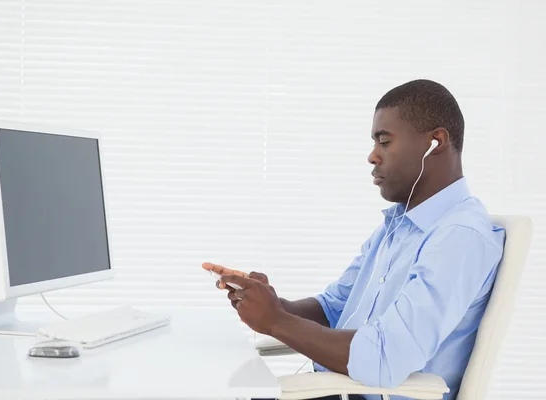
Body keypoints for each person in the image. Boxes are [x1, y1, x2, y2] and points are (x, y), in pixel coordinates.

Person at [202, 79, 505, 400]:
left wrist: (276, 321)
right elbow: (333, 309)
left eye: (384, 142)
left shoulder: (459, 236)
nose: (372, 157)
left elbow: (385, 357)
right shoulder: (398, 226)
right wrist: (272, 303)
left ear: (435, 142)